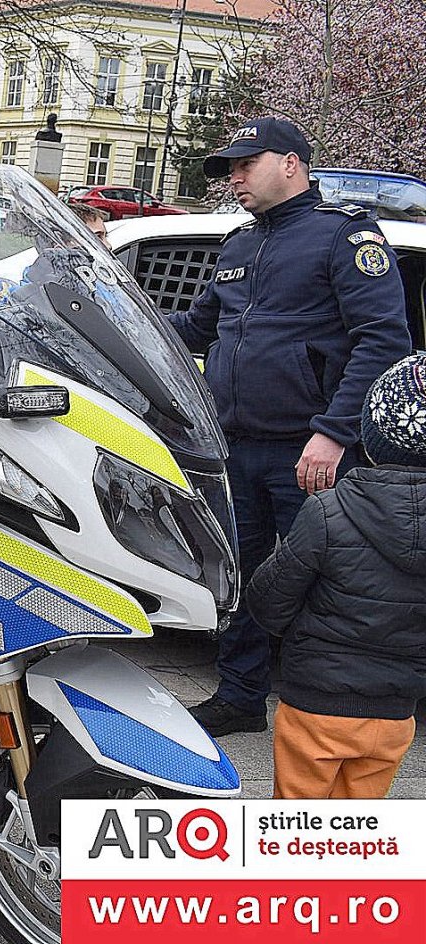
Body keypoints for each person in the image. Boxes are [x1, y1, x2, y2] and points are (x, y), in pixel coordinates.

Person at [169, 117, 410, 737]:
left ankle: (319, 709)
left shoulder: (345, 238)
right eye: (230, 167)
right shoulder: (238, 244)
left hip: (310, 450)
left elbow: (384, 340)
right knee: (239, 573)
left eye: (247, 163)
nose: (235, 177)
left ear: (292, 164)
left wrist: (333, 432)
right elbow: (194, 331)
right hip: (233, 447)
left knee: (324, 583)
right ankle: (240, 695)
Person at [246, 354, 426, 798]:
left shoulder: (329, 511)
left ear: (370, 435)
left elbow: (269, 600)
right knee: (355, 827)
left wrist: (304, 635)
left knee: (296, 820)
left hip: (317, 704)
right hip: (397, 711)